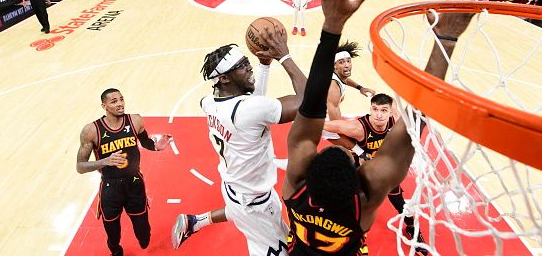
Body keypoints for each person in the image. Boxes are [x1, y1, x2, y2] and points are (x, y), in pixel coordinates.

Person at [282, 0, 478, 255]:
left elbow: (312, 105)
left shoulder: (296, 186)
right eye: (349, 154)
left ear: (308, 170)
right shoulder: (363, 199)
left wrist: (331, 28)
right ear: (358, 176)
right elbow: (412, 126)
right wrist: (445, 40)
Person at [172, 27, 307, 255]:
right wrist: (283, 56)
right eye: (242, 66)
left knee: (238, 211)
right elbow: (309, 100)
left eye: (247, 61)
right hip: (255, 203)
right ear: (224, 78)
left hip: (234, 187)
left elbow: (252, 104)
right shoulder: (247, 110)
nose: (249, 66)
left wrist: (264, 65)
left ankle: (195, 221)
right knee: (282, 250)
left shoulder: (208, 102)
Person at [323, 94, 428, 254]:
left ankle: (412, 229)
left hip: (387, 175)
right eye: (375, 109)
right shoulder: (358, 128)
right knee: (350, 206)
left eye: (383, 110)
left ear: (390, 112)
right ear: (370, 109)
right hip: (364, 176)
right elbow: (326, 131)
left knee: (402, 205)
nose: (379, 114)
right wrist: (358, 150)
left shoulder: (396, 121)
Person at [76, 88, 172, 256]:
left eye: (121, 99)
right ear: (104, 106)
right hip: (110, 188)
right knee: (113, 235)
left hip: (135, 183)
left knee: (144, 234)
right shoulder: (91, 130)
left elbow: (146, 141)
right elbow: (80, 166)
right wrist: (105, 161)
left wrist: (156, 147)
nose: (120, 104)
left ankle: (142, 238)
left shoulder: (135, 120)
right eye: (114, 101)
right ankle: (116, 251)